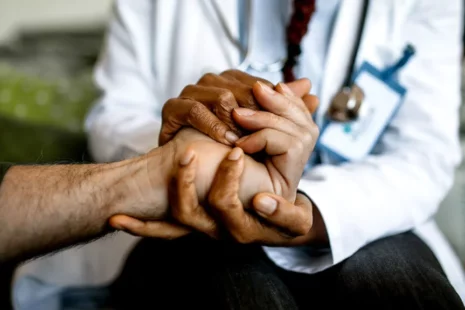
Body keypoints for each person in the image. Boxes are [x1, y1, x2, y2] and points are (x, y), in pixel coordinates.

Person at [13, 0, 465, 309]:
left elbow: (422, 153)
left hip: (354, 211)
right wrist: (204, 156)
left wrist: (304, 211)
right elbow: (115, 116)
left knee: (391, 274)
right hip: (190, 215)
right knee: (228, 277)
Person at [2, 76, 319, 309]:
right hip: (157, 246)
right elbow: (113, 113)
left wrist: (317, 208)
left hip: (339, 223)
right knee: (237, 285)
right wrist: (176, 168)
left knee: (366, 275)